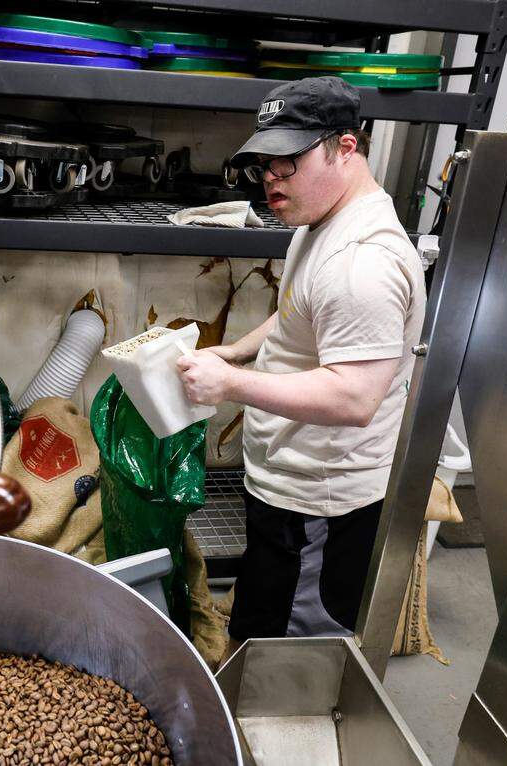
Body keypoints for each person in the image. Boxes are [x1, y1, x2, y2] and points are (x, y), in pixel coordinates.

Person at [175, 77, 427, 652]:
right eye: (264, 163)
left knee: (288, 661)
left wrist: (232, 384)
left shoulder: (361, 265)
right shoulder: (323, 222)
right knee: (256, 629)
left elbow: (354, 397)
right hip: (287, 487)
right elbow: (299, 315)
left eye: (287, 162)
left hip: (320, 506)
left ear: (345, 147)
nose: (270, 179)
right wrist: (238, 349)